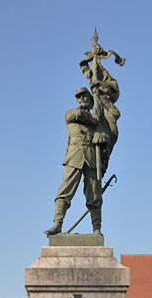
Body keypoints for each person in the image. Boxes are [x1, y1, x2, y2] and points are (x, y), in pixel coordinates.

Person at [44, 87, 106, 236]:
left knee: (95, 195)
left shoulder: (97, 123)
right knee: (65, 191)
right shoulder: (71, 114)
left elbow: (105, 135)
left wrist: (100, 135)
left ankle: (96, 228)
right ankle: (57, 224)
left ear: (91, 102)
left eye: (85, 97)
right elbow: (76, 115)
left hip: (91, 158)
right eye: (79, 97)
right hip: (74, 157)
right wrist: (94, 121)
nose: (82, 99)